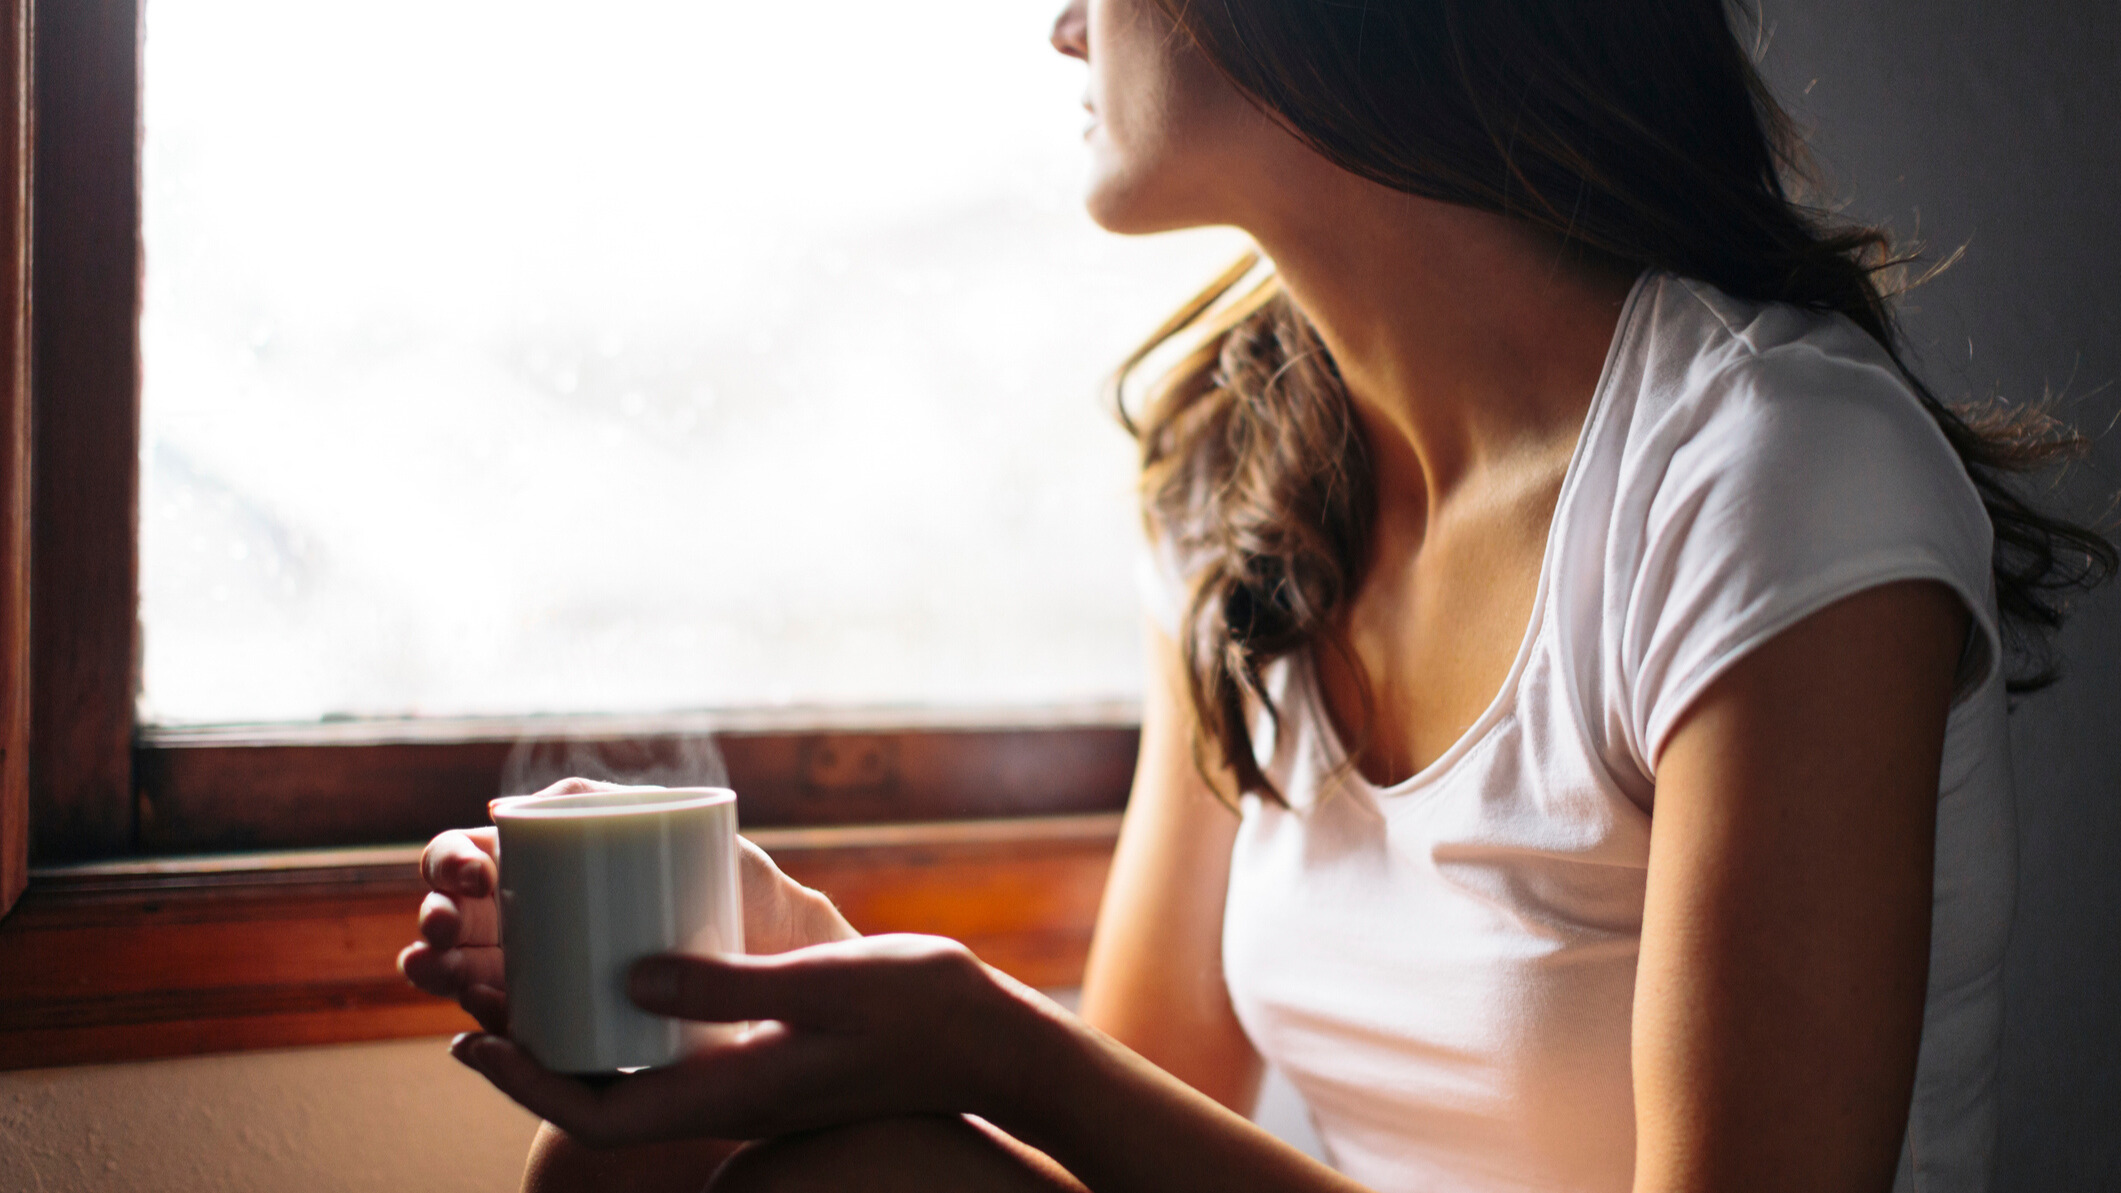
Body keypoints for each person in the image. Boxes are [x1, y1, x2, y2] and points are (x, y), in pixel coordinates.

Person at [399, 1, 2113, 1190]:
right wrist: (811, 974)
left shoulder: (1766, 474)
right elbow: (1144, 1096)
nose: (1060, 25)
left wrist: (988, 1038)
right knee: (648, 1141)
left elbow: (1058, 1089)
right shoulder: (1248, 464)